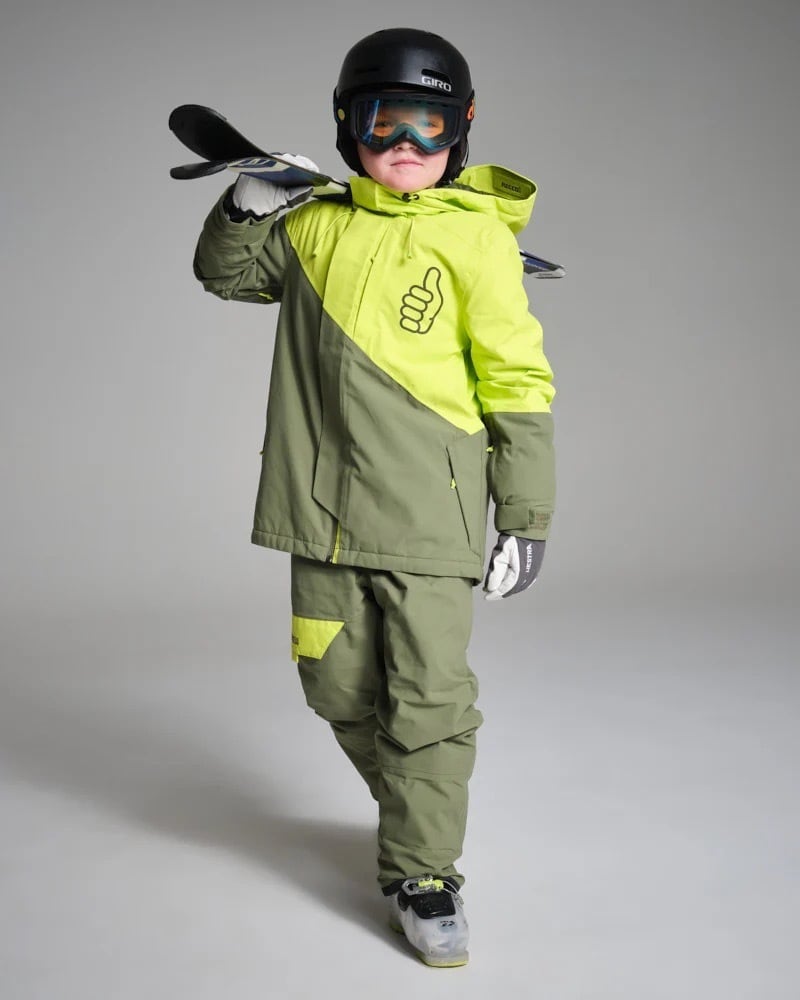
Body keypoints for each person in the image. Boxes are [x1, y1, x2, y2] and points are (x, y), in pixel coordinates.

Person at [193, 26, 556, 968]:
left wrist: (524, 515)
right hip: (320, 518)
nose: (404, 142)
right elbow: (226, 275)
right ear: (347, 125)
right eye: (382, 120)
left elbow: (518, 381)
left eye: (428, 124)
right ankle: (415, 816)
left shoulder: (477, 239)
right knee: (335, 688)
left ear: (460, 129)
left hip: (431, 522)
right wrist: (246, 204)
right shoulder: (313, 227)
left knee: (429, 701)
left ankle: (424, 873)